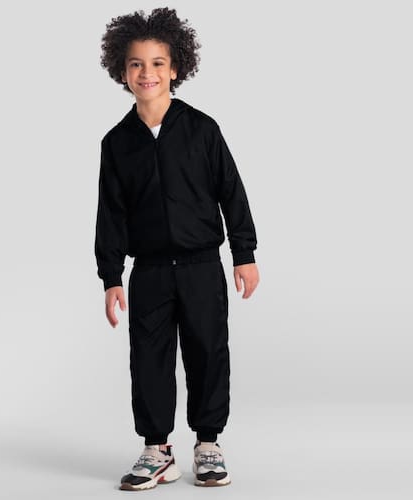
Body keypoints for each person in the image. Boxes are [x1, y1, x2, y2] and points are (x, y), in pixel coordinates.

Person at [95, 7, 260, 490]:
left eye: (157, 63)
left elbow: (232, 192)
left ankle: (208, 444)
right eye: (136, 64)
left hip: (200, 265)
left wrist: (244, 254)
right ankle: (157, 450)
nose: (146, 73)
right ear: (122, 71)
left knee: (208, 352)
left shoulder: (202, 129)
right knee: (148, 359)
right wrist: (111, 277)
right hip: (148, 271)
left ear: (175, 68)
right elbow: (110, 213)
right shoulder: (116, 143)